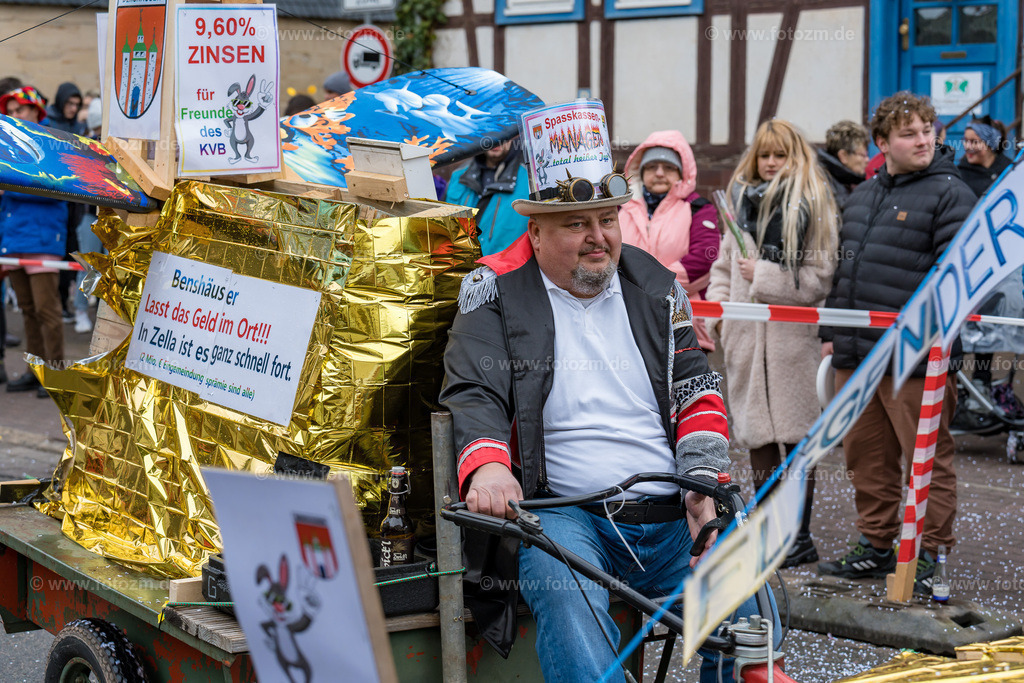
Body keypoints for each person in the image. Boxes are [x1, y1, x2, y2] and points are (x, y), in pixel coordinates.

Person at [440, 118, 776, 682]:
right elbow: (474, 389)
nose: (599, 237)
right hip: (564, 516)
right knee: (569, 601)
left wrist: (702, 483)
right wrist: (489, 467)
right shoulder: (493, 287)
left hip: (672, 515)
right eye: (577, 223)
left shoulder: (657, 285)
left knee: (751, 611)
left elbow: (696, 386)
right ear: (536, 232)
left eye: (608, 219)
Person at [818, 91, 976, 592]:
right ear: (882, 142)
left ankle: (929, 553)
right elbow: (844, 272)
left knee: (926, 459)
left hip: (917, 358)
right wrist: (831, 335)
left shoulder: (951, 193)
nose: (924, 140)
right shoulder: (863, 195)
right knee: (866, 458)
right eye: (909, 133)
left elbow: (956, 278)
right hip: (857, 355)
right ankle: (876, 543)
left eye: (929, 130)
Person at [707, 119, 839, 568]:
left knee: (799, 444)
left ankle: (798, 536)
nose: (770, 163)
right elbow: (723, 267)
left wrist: (762, 275)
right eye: (764, 154)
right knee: (758, 440)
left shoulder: (815, 206)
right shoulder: (740, 202)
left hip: (792, 344)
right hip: (746, 341)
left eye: (779, 155)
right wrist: (721, 316)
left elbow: (820, 279)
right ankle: (768, 531)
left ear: (794, 157)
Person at [618, 131, 720, 351]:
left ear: (682, 172)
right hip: (624, 322)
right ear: (640, 171)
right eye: (652, 167)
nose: (659, 173)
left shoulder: (699, 209)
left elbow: (702, 262)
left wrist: (642, 284)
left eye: (669, 167)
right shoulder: (620, 208)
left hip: (682, 325)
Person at [955, 115, 1024, 423]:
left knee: (999, 323)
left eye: (975, 141)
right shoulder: (959, 175)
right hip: (972, 263)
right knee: (971, 325)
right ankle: (965, 388)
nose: (968, 147)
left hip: (1005, 264)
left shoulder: (1011, 172)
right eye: (966, 141)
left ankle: (991, 385)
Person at [0, 86, 69, 397]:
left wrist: (9, 188)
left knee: (46, 310)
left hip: (42, 237)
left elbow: (56, 188)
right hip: (15, 236)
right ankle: (34, 370)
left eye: (20, 110)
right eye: (11, 112)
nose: (15, 116)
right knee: (27, 310)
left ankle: (54, 372)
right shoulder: (8, 144)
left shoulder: (50, 143)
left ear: (36, 111)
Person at [444, 138, 530, 255]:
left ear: (513, 135)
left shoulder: (530, 178)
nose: (497, 139)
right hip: (461, 264)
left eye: (503, 132)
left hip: (508, 265)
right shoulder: (458, 176)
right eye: (492, 131)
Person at [817, 120, 870, 209]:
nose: (867, 160)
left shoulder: (843, 181)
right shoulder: (824, 184)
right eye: (863, 155)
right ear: (843, 155)